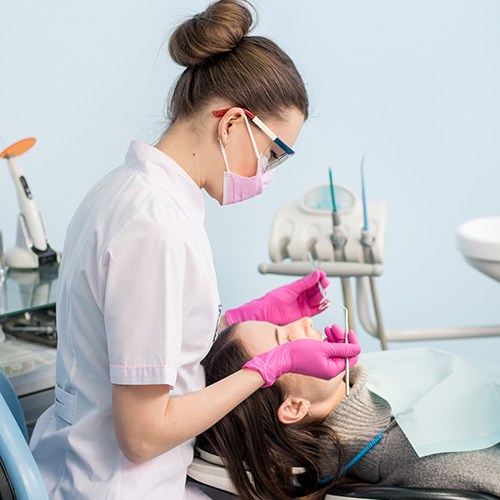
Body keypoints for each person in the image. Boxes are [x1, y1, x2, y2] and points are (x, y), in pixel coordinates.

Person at [29, 1, 361, 498]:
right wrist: (270, 366)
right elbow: (142, 436)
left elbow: (148, 344)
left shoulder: (124, 190)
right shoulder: (156, 230)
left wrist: (247, 317)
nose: (266, 175)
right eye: (271, 155)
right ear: (229, 124)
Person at [201, 318, 500, 500]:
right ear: (293, 407)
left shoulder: (376, 392)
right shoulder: (414, 450)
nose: (305, 320)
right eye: (289, 341)